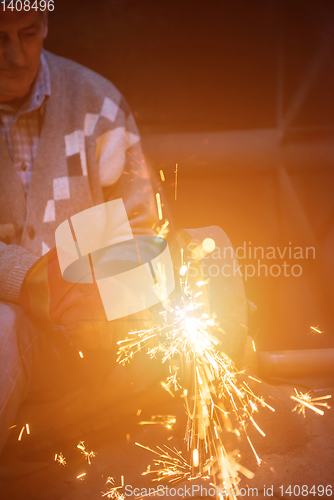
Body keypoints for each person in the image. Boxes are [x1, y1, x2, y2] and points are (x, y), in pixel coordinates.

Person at [0, 6, 160, 456]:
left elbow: (143, 232)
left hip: (83, 349)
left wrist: (110, 300)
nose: (14, 56)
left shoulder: (96, 106)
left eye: (28, 33)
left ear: (47, 25)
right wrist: (42, 281)